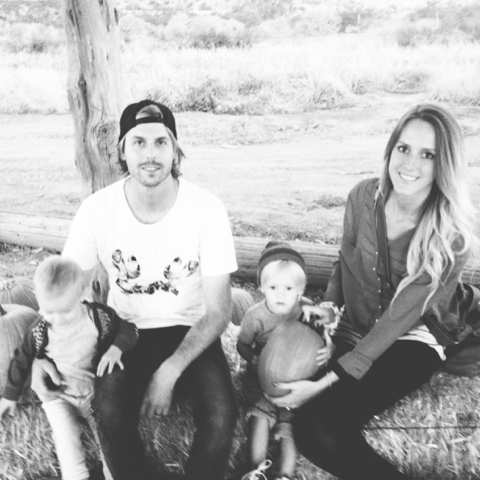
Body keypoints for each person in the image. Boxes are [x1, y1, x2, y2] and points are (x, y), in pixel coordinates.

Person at [267, 104, 479, 479]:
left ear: (444, 164)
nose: (410, 163)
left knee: (318, 429)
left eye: (427, 154)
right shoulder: (363, 198)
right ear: (390, 148)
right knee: (298, 411)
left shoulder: (452, 237)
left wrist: (321, 385)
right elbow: (345, 260)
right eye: (403, 148)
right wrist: (331, 305)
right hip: (359, 323)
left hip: (414, 335)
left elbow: (397, 320)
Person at [32, 100, 239, 480]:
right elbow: (63, 288)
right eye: (139, 142)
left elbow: (219, 312)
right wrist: (36, 354)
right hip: (125, 331)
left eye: (161, 142)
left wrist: (169, 371)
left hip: (190, 329)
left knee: (222, 414)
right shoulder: (97, 210)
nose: (150, 153)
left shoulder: (206, 209)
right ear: (123, 151)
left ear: (175, 150)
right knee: (108, 410)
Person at [0, 255, 138, 480]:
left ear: (82, 295)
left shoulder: (99, 318)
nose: (56, 319)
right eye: (48, 311)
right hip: (59, 397)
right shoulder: (40, 330)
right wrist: (10, 395)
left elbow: (129, 329)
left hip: (93, 395)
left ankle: (111, 474)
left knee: (108, 441)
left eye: (65, 311)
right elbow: (21, 359)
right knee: (66, 441)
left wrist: (116, 348)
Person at [236, 241, 334, 480]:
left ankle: (285, 475)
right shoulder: (255, 316)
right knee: (261, 413)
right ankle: (257, 469)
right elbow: (241, 345)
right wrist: (253, 357)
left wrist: (330, 349)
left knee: (291, 423)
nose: (280, 294)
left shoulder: (307, 309)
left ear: (300, 290)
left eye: (289, 288)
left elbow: (329, 323)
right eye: (273, 287)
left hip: (297, 377)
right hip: (260, 375)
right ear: (261, 287)